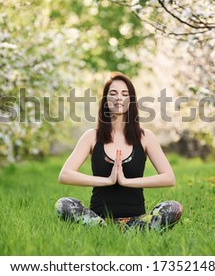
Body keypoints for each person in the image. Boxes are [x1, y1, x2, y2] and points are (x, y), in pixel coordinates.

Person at [55, 72, 182, 231]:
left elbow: (169, 178)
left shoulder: (145, 137)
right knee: (63, 204)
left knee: (173, 207)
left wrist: (126, 182)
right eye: (113, 93)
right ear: (106, 100)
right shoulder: (91, 137)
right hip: (99, 218)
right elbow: (65, 175)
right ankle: (102, 229)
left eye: (124, 94)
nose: (119, 98)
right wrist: (108, 180)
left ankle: (134, 230)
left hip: (136, 220)